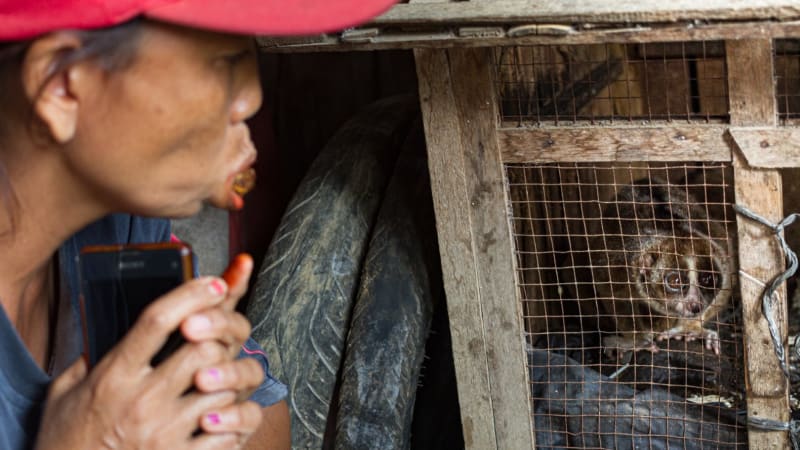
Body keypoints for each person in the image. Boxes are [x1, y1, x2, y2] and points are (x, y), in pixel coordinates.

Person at [0, 1, 397, 449]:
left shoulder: (122, 223)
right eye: (224, 62)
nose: (252, 97)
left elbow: (264, 419)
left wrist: (208, 396)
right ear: (61, 86)